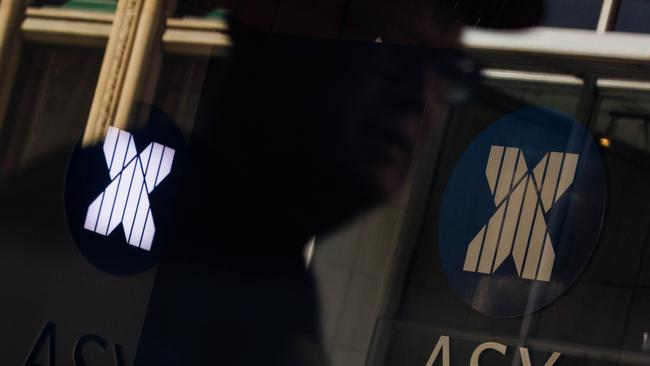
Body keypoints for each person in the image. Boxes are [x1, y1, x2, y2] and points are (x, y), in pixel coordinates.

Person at [133, 1, 545, 365]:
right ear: (261, 24)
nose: (418, 96)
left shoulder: (266, 280)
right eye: (390, 48)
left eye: (447, 71)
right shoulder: (151, 257)